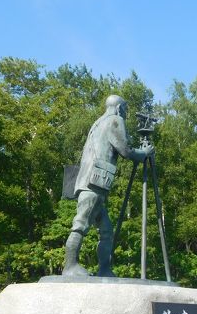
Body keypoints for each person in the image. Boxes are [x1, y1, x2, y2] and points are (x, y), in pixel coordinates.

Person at [63, 95, 154, 277]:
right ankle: (70, 266)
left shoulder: (97, 123)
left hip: (89, 182)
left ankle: (104, 269)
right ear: (119, 108)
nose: (125, 114)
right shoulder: (115, 120)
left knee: (106, 230)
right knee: (81, 224)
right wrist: (143, 153)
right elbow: (125, 150)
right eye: (125, 110)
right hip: (94, 184)